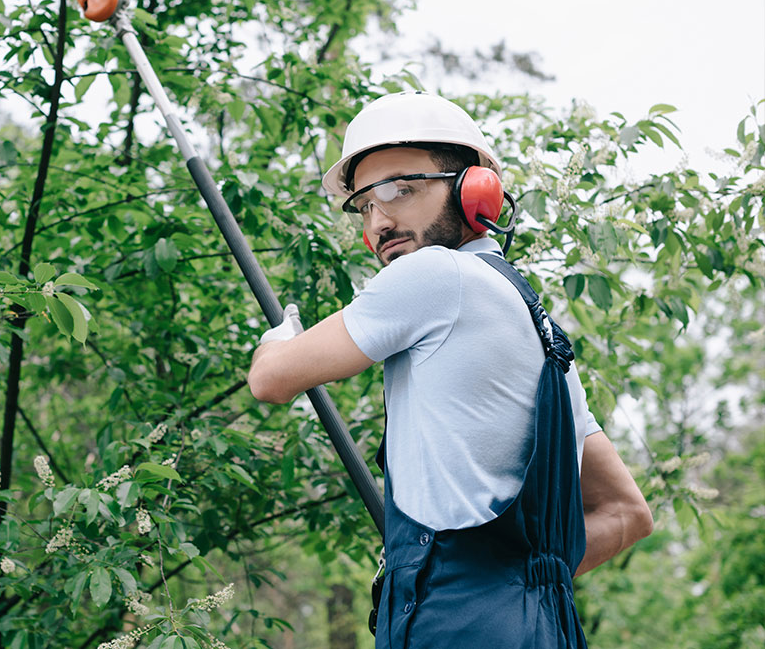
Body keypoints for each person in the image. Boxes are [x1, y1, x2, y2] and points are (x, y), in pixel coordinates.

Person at [248, 92, 653, 648]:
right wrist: (510, 580)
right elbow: (627, 513)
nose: (380, 219)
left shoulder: (433, 274)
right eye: (363, 205)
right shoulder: (542, 333)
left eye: (399, 190)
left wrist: (278, 339)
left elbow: (270, 380)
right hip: (544, 629)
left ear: (472, 188)